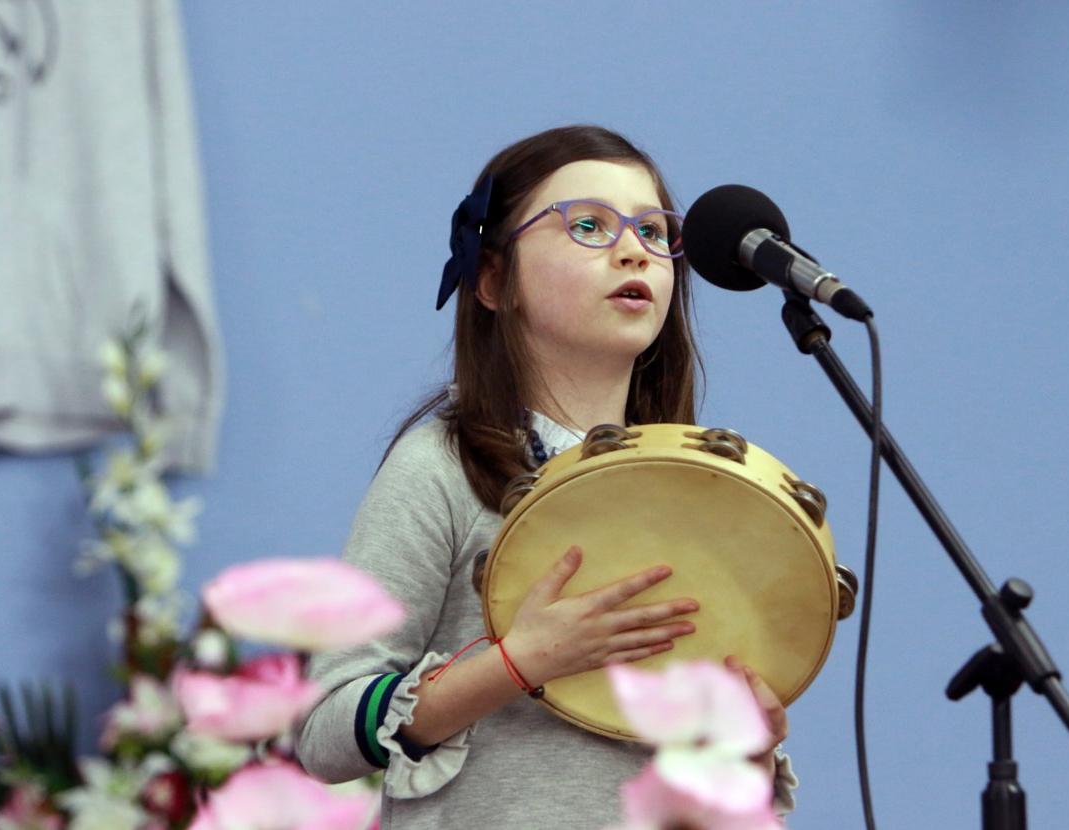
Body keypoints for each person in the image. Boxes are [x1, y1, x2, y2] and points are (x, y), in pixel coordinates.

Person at [297, 125, 797, 828]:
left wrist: (743, 756)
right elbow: (323, 729)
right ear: (495, 279)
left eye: (655, 232)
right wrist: (519, 660)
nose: (633, 250)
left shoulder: (695, 487)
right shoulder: (440, 469)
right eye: (589, 225)